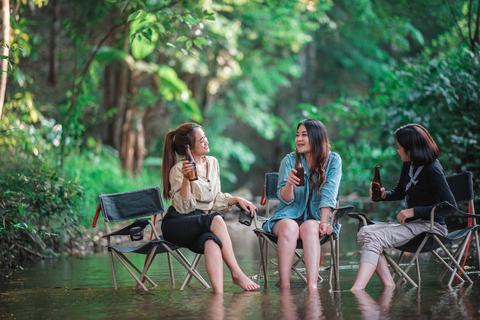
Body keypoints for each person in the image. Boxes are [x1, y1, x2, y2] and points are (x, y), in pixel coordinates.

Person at [350, 123, 457, 291]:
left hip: (432, 228)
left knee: (374, 238)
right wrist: (384, 195)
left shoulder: (433, 168)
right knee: (364, 232)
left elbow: (450, 206)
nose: (397, 150)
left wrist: (415, 211)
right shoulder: (409, 164)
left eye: (399, 147)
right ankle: (389, 286)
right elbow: (400, 192)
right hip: (413, 226)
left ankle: (357, 289)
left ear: (411, 148)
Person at [161, 122, 260, 294]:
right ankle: (236, 273)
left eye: (205, 137)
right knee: (216, 219)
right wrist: (186, 179)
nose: (206, 141)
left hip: (201, 223)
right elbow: (184, 208)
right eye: (201, 140)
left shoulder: (213, 163)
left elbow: (213, 200)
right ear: (189, 148)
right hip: (178, 223)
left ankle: (218, 298)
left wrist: (236, 199)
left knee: (211, 242)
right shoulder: (178, 170)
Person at [263, 119, 342, 289]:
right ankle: (284, 286)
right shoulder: (290, 160)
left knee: (310, 227)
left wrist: (324, 222)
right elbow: (284, 199)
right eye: (297, 135)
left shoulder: (333, 160)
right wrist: (289, 184)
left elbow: (329, 194)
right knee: (290, 227)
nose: (298, 139)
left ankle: (312, 288)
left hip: (316, 218)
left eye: (304, 135)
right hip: (287, 216)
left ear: (317, 137)